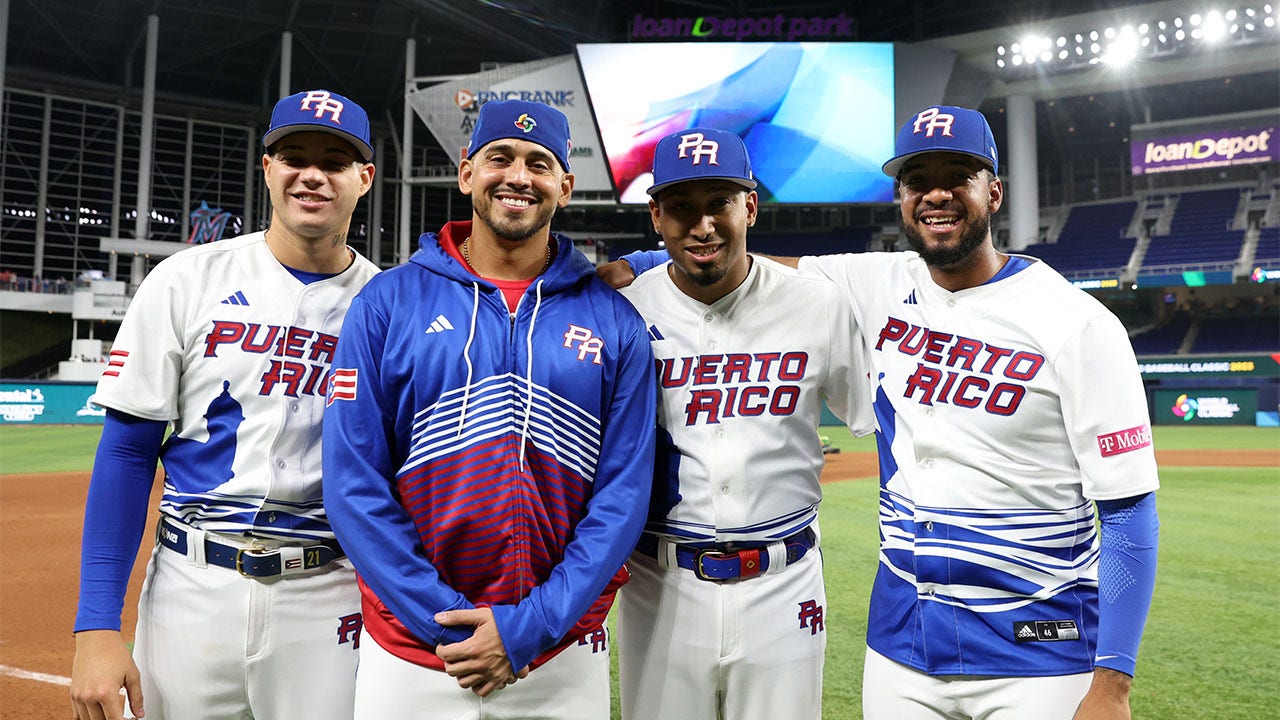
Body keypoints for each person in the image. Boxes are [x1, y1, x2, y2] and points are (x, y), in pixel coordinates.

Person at [608, 106, 1160, 720]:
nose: (937, 195)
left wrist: (1114, 683)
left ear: (994, 192)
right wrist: (645, 262)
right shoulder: (874, 282)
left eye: (960, 176)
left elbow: (1130, 508)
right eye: (918, 180)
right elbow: (746, 265)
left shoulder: (1076, 321)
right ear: (901, 199)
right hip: (904, 649)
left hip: (1038, 646)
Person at [320, 99, 656, 719]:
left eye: (539, 163)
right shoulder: (386, 303)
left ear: (565, 185)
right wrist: (445, 624)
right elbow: (351, 484)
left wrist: (533, 625)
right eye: (500, 158)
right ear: (467, 172)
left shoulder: (616, 321)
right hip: (413, 653)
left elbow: (624, 494)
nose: (518, 176)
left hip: (558, 653)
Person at [70, 89, 379, 720]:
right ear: (267, 168)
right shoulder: (186, 280)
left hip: (328, 590)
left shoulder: (387, 303)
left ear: (363, 179)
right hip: (190, 584)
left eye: (335, 160)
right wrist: (97, 625)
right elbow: (128, 455)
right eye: (293, 155)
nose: (312, 174)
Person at [613, 127, 875, 720]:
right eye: (682, 207)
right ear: (656, 215)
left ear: (750, 207)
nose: (702, 225)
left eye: (719, 205)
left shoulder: (816, 302)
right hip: (660, 582)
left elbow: (877, 416)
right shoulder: (624, 309)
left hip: (785, 586)